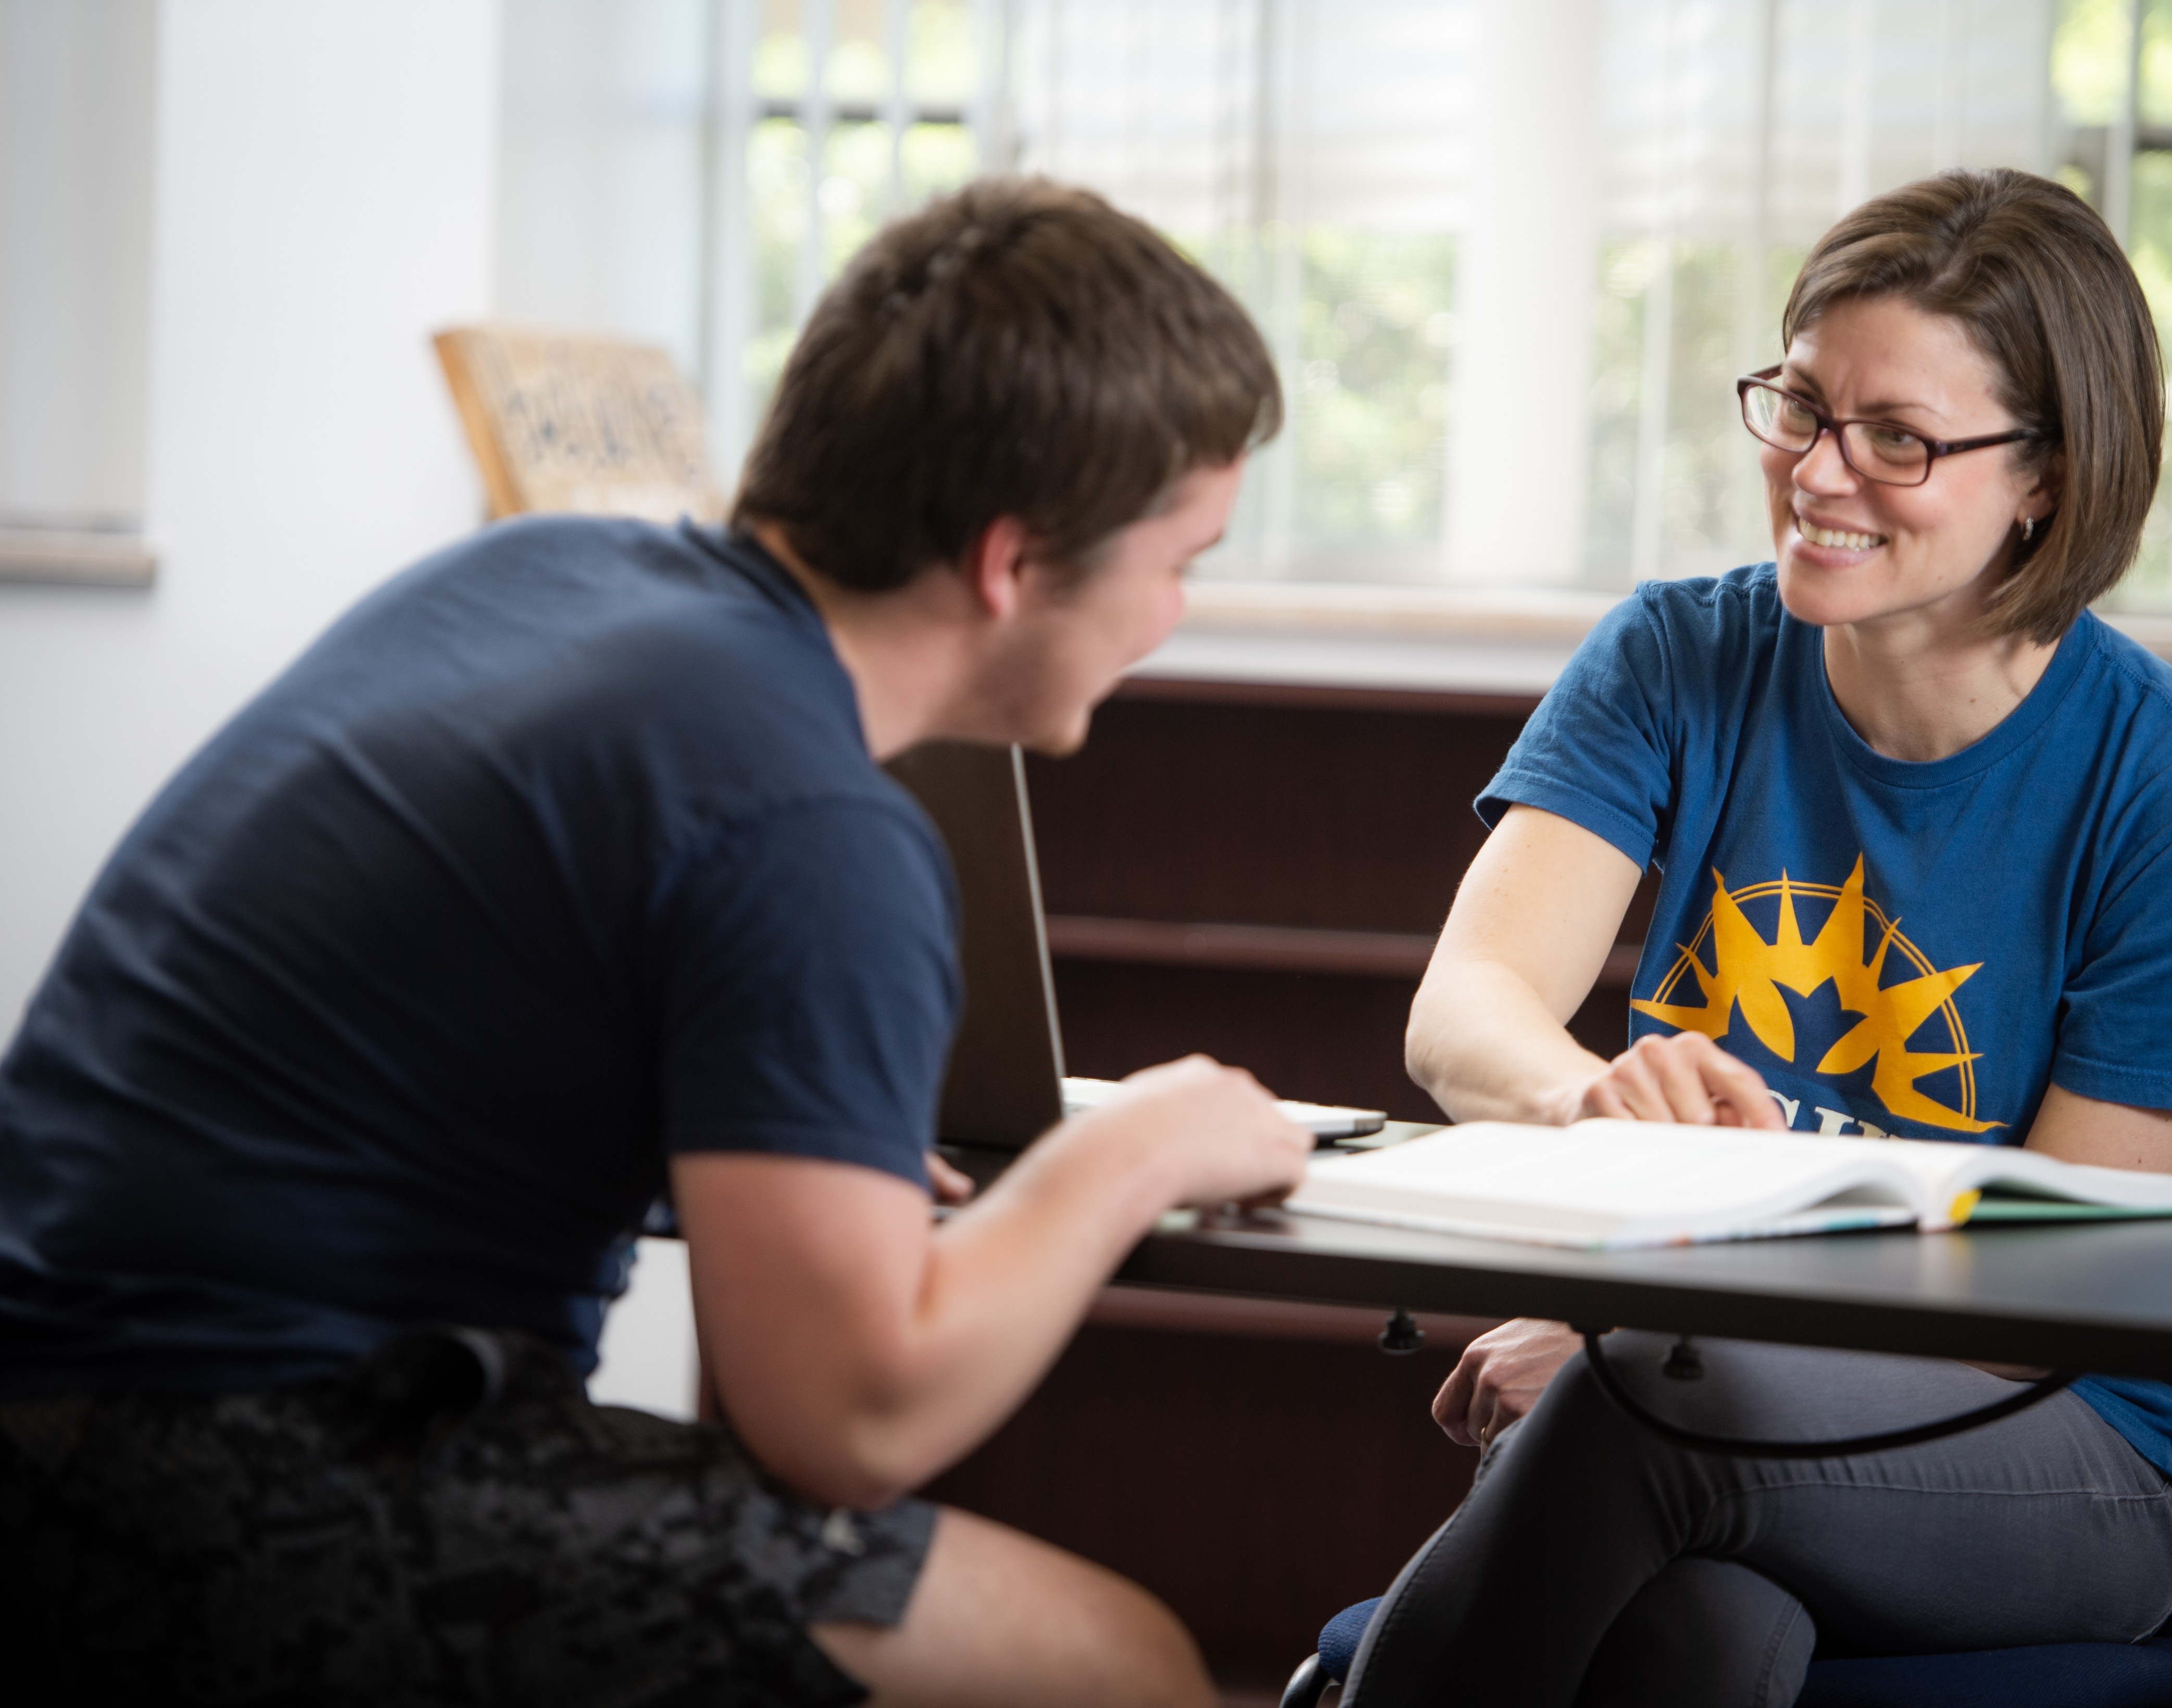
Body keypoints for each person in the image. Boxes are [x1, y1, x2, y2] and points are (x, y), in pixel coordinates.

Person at [0, 179, 1314, 1706]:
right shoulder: (811, 821)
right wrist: (1136, 1148)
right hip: (217, 1466)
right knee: (1115, 1665)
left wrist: (802, 1142)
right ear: (1012, 563)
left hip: (62, 1399)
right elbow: (850, 1421)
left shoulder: (539, 578)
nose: (1177, 615)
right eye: (1183, 560)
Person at [1351, 167, 2172, 1706]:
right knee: (1704, 1638)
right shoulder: (1679, 656)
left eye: (1899, 439)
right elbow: (1468, 1008)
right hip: (1708, 1389)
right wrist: (1593, 1105)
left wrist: (1649, 1337)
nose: (1818, 471)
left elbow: (2024, 1313)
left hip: (2070, 1453)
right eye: (1798, 407)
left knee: (1632, 1418)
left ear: (2046, 477)